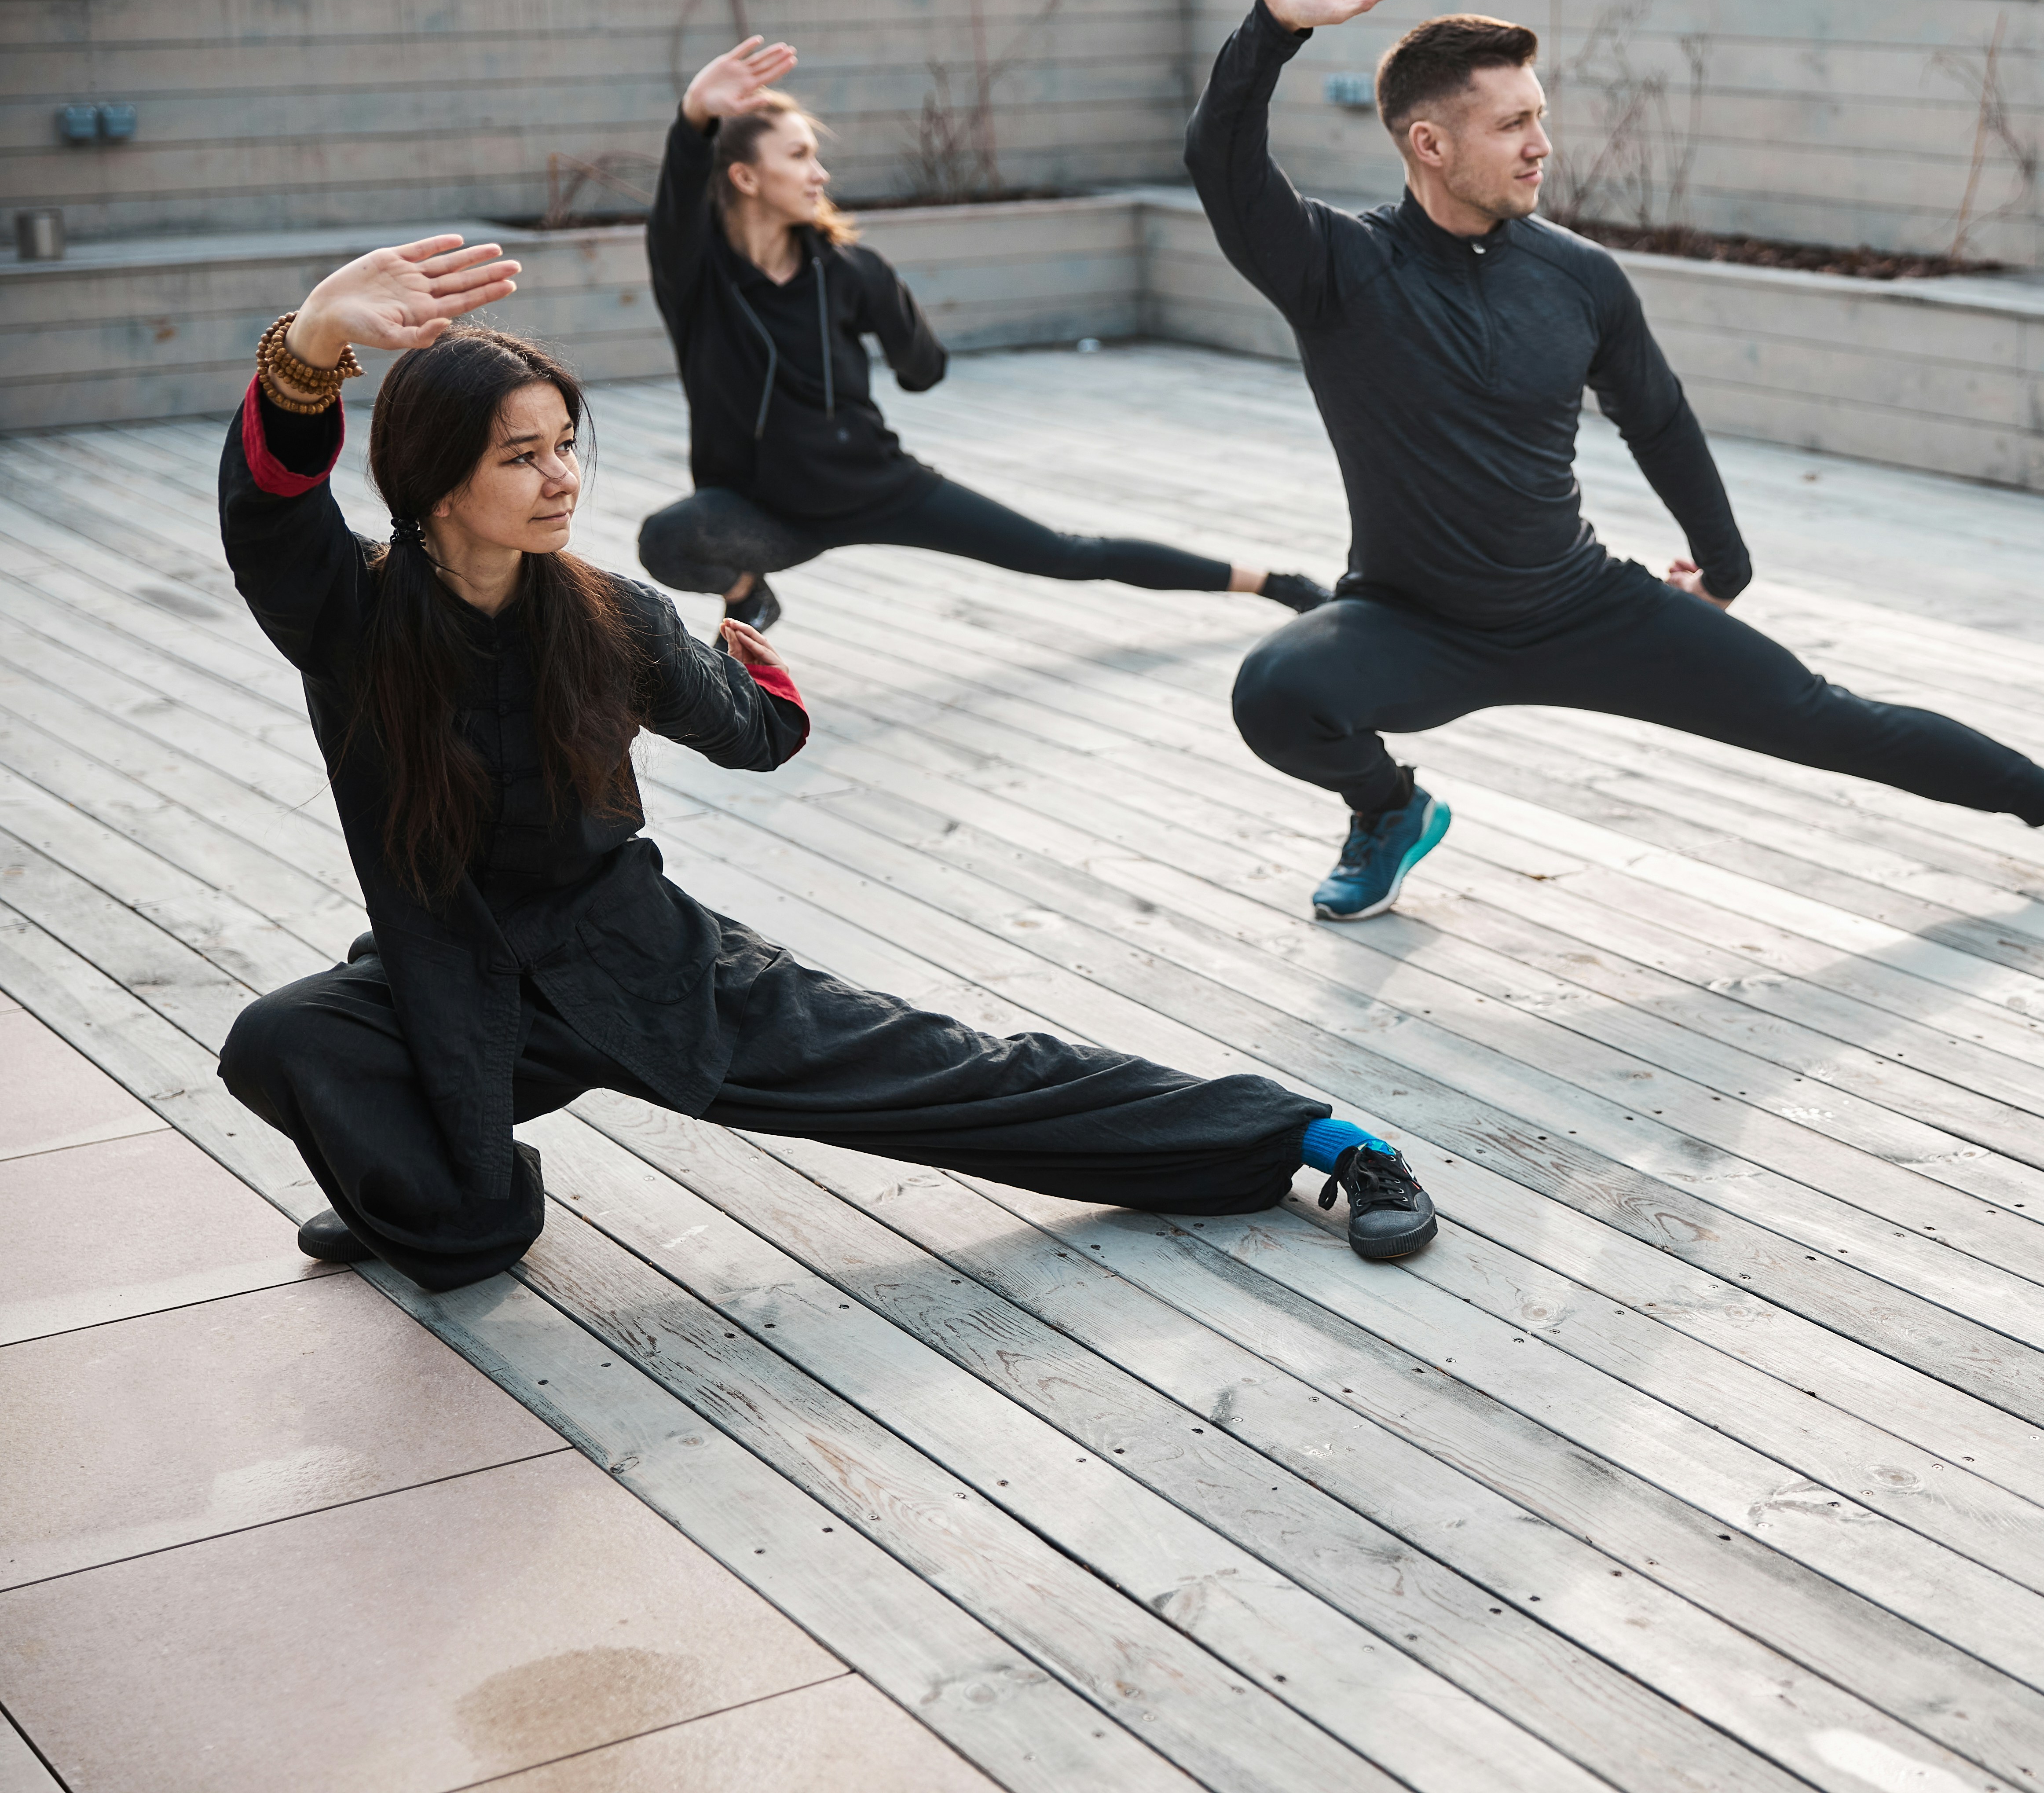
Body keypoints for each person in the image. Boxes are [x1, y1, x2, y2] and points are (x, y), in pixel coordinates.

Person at [212, 238, 1438, 1291]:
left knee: (954, 1074)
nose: (562, 478)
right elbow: (271, 506)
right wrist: (316, 338)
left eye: (564, 445)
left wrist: (766, 681)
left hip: (642, 967)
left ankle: (1316, 1138)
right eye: (520, 456)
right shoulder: (353, 619)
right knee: (290, 1040)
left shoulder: (613, 617)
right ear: (434, 479)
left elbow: (755, 738)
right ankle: (451, 1206)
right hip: (453, 983)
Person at [1187, 0, 2044, 923]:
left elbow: (1660, 420)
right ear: (1430, 143)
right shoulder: (1336, 268)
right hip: (1411, 621)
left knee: (1833, 719)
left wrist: (1723, 567)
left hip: (1584, 606)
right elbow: (1220, 166)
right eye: (1513, 125)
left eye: (1541, 115)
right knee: (1275, 691)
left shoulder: (1579, 277)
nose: (1543, 145)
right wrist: (1273, 27)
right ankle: (1389, 811)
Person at [636, 37, 1330, 637]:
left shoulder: (850, 272)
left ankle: (1276, 582)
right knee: (667, 540)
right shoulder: (701, 282)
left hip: (876, 486)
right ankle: (749, 596)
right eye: (799, 156)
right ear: (745, 176)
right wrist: (696, 116)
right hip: (763, 511)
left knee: (1068, 554)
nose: (820, 172)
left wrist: (890, 301)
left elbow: (922, 371)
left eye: (817, 155)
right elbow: (675, 211)